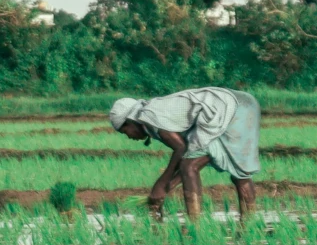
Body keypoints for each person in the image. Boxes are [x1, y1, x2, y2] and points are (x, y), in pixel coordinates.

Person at [109, 87, 262, 220]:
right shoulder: (151, 114)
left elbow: (181, 148)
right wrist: (166, 188)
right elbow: (188, 154)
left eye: (124, 131)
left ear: (130, 121)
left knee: (189, 167)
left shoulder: (150, 116)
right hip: (242, 104)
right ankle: (248, 225)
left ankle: (194, 226)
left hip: (229, 108)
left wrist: (162, 183)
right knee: (239, 173)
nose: (128, 136)